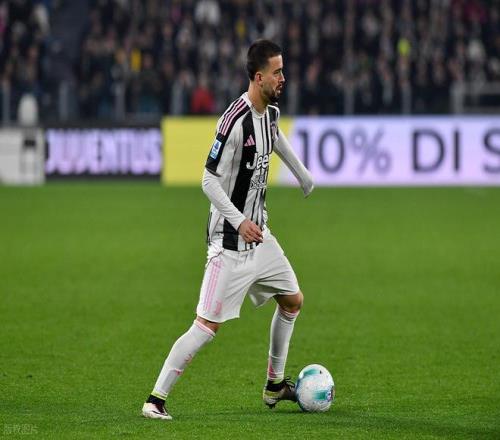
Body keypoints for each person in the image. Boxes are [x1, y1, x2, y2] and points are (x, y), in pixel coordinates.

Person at [142, 39, 314, 420]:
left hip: (261, 238)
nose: (283, 78)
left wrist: (302, 174)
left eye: (283, 70)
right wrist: (239, 221)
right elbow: (208, 180)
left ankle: (274, 384)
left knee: (292, 301)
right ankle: (155, 399)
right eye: (277, 72)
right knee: (205, 327)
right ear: (258, 77)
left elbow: (276, 138)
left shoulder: (270, 114)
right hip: (230, 244)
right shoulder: (233, 121)